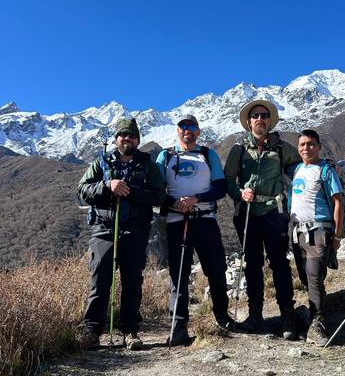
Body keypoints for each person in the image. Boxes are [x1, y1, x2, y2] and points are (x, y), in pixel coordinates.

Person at [77, 117, 166, 350]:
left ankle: (130, 331)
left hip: (136, 230)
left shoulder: (148, 166)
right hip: (104, 230)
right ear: (116, 138)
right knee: (99, 281)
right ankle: (91, 331)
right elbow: (81, 192)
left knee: (132, 282)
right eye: (123, 135)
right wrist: (107, 186)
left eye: (132, 136)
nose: (127, 139)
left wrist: (131, 191)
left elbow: (159, 197)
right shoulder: (101, 163)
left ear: (138, 140)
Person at [224, 99, 300, 339]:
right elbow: (228, 180)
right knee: (253, 264)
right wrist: (239, 193)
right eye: (255, 115)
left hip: (274, 212)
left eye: (264, 116)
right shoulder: (238, 149)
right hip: (247, 214)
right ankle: (255, 315)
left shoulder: (281, 147)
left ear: (269, 120)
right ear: (249, 121)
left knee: (279, 263)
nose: (260, 119)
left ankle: (287, 315)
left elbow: (301, 166)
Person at [156, 114, 231, 346]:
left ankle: (222, 317)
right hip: (176, 221)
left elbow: (220, 187)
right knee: (178, 274)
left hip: (206, 219)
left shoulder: (208, 155)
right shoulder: (165, 156)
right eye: (183, 126)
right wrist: (173, 203)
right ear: (177, 131)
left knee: (216, 269)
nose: (187, 130)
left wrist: (196, 198)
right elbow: (156, 188)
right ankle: (178, 325)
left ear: (198, 132)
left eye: (191, 127)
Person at [290, 129, 344, 346]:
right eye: (302, 144)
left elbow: (338, 201)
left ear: (319, 146)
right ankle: (313, 316)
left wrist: (337, 236)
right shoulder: (296, 169)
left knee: (314, 276)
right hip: (297, 232)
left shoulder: (326, 170)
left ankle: (318, 323)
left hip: (319, 231)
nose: (306, 148)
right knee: (306, 278)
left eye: (311, 144)